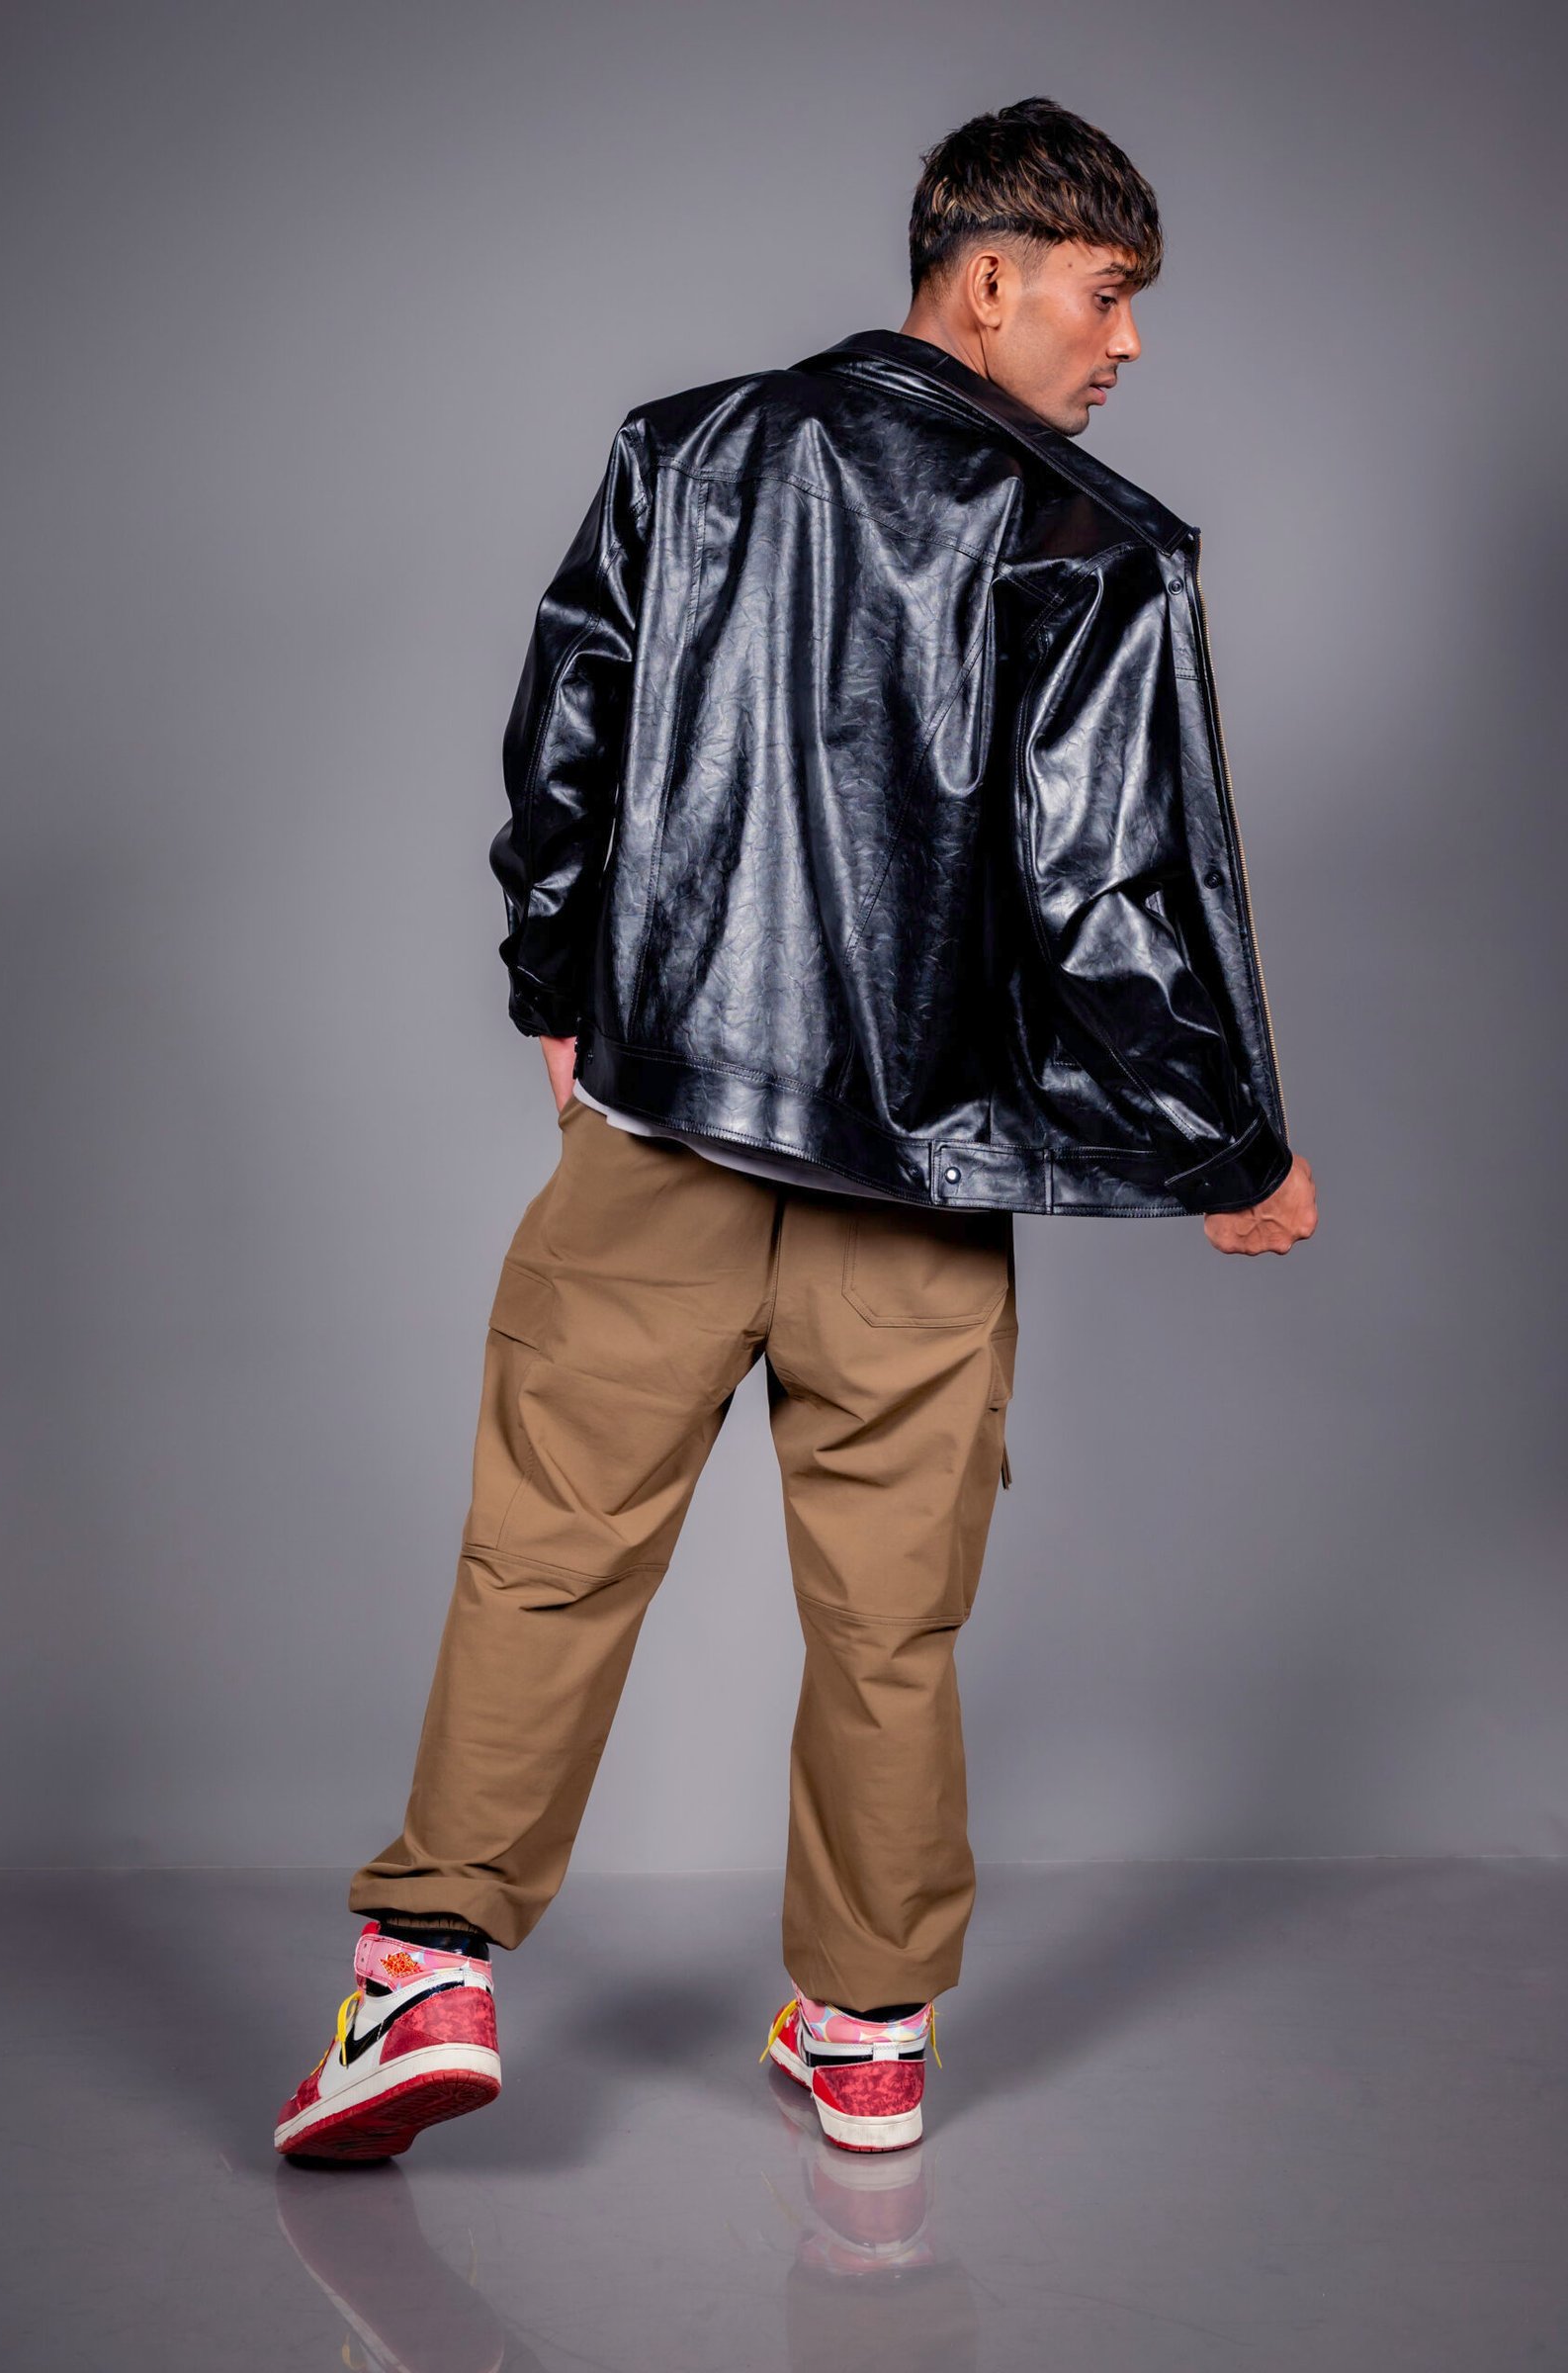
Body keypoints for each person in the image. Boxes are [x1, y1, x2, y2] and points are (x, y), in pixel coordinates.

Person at [274, 94, 1317, 2166]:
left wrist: (558, 989)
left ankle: (424, 1979)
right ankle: (863, 2030)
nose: (1124, 345)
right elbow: (1106, 895)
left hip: (662, 1120)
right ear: (989, 276)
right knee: (887, 1620)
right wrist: (1228, 1144)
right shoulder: (1091, 540)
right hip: (919, 1174)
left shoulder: (686, 453)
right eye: (1106, 294)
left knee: (548, 1556)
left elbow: (564, 736)